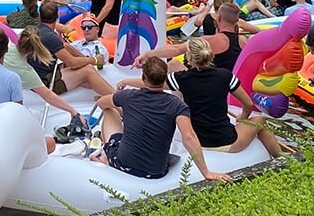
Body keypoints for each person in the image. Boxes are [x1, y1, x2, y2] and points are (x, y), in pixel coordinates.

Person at [94, 57, 230, 182]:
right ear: (165, 78)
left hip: (124, 163)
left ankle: (106, 154)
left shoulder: (128, 96)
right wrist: (206, 172)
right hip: (156, 171)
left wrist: (123, 110)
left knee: (109, 110)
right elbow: (189, 137)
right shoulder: (177, 105)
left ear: (143, 78)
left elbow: (101, 103)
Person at [170, 39, 287, 158]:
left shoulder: (180, 78)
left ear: (189, 57)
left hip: (198, 141)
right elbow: (248, 104)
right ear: (210, 54)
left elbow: (154, 84)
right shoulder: (224, 75)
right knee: (260, 120)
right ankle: (282, 159)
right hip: (227, 141)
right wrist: (243, 117)